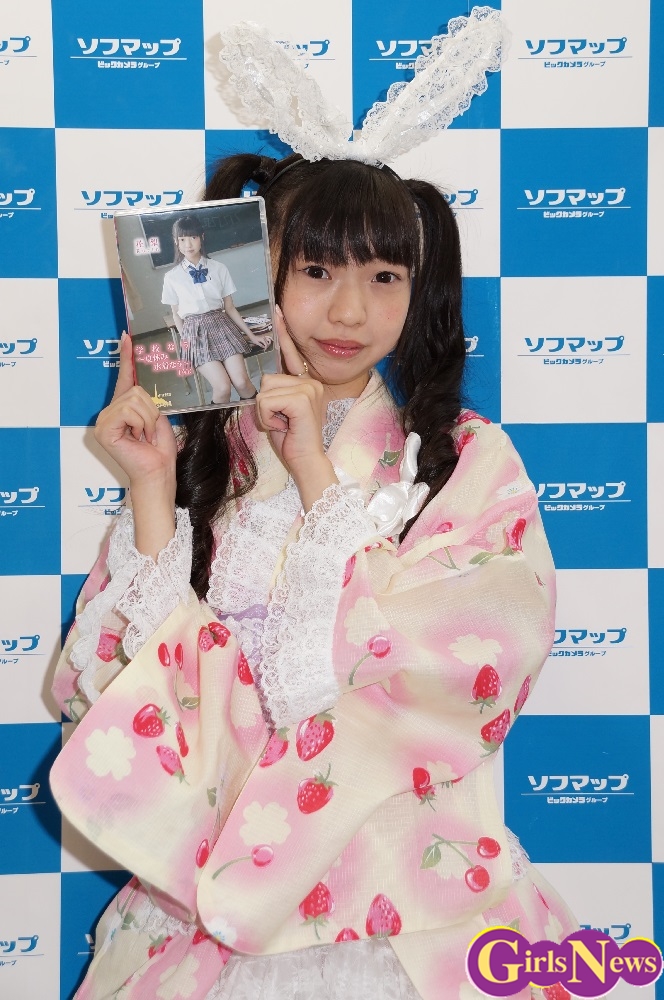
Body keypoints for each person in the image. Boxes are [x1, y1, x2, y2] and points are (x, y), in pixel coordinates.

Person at [50, 152, 577, 1000]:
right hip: (217, 900)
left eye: (384, 276)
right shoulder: (202, 461)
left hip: (405, 900)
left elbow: (455, 670)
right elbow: (126, 696)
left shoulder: (464, 461)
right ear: (258, 274)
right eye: (317, 270)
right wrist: (151, 485)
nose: (349, 310)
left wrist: (313, 473)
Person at [163, 215, 273, 404]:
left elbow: (229, 307)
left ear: (202, 237)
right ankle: (215, 421)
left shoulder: (218, 268)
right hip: (194, 333)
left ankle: (255, 417)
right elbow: (176, 314)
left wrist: (252, 336)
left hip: (222, 326)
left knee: (242, 382)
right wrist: (186, 345)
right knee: (222, 388)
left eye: (193, 237)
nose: (188, 244)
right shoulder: (171, 277)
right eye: (182, 239)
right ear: (176, 242)